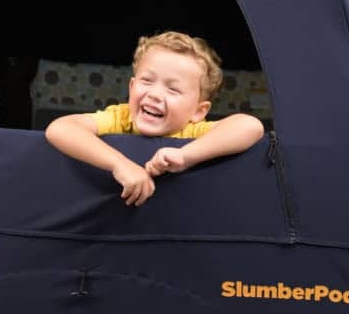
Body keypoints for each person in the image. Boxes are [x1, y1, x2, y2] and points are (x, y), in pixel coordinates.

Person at [45, 31, 265, 206]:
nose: (155, 94)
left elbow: (250, 126)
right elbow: (60, 128)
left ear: (198, 112)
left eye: (173, 89)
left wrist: (186, 156)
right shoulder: (121, 118)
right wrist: (118, 164)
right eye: (147, 81)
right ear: (132, 88)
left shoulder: (191, 131)